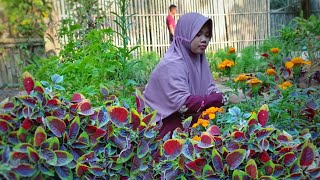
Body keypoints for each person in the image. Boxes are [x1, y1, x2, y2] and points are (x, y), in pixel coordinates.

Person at [144, 13, 228, 138]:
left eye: (207, 35)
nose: (204, 39)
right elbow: (184, 104)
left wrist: (218, 98)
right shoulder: (172, 64)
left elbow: (210, 89)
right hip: (161, 130)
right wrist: (222, 98)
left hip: (187, 124)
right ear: (185, 34)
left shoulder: (199, 61)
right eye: (198, 34)